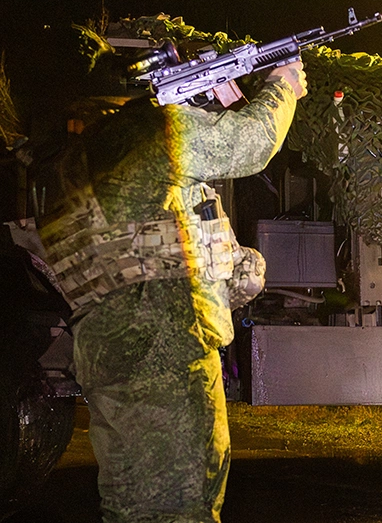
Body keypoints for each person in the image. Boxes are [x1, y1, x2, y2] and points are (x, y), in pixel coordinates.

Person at [36, 46, 307, 523]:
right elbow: (250, 144)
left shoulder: (66, 159)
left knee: (135, 507)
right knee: (176, 509)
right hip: (161, 345)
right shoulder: (143, 131)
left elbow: (143, 246)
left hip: (119, 347)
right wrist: (283, 85)